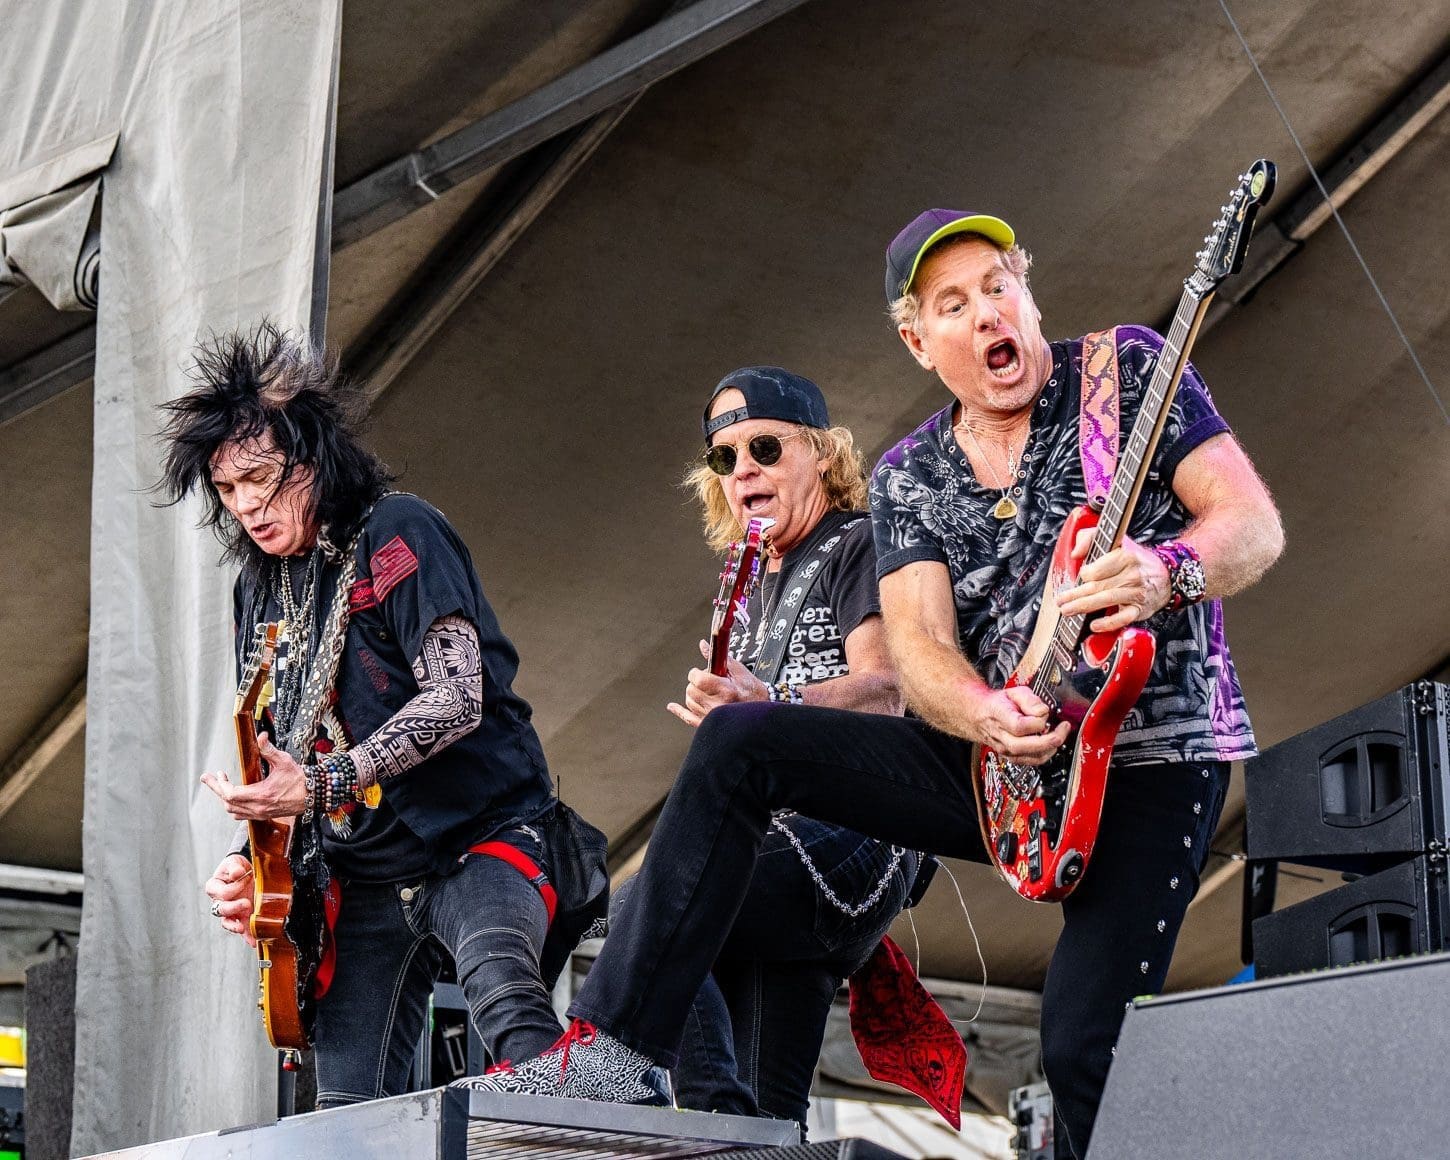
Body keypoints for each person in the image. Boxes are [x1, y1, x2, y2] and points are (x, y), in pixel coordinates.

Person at [452, 211, 1283, 1158]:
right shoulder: (908, 474)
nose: (986, 317)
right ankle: (613, 1051)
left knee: (1084, 1041)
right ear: (916, 340)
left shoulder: (1126, 373)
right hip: (993, 766)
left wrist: (1165, 571)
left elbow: (1251, 522)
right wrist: (980, 710)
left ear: (1028, 292)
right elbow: (921, 651)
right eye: (953, 305)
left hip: (1149, 758)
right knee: (736, 745)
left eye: (998, 288)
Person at [162, 324, 594, 1108]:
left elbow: (458, 697)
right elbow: (278, 751)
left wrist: (322, 783)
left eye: (261, 476)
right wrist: (253, 858)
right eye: (228, 490)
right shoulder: (256, 590)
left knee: (512, 1013)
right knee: (344, 1109)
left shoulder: (398, 529)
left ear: (313, 457)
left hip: (481, 835)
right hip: (363, 869)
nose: (248, 504)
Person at [653, 366, 919, 1129]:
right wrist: (724, 719)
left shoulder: (857, 545)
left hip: (846, 837)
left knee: (651, 905)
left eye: (765, 448)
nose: (744, 472)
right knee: (777, 1110)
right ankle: (747, 1140)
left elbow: (888, 688)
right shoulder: (750, 580)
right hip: (772, 844)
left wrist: (766, 704)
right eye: (725, 458)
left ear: (824, 456)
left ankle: (712, 1125)